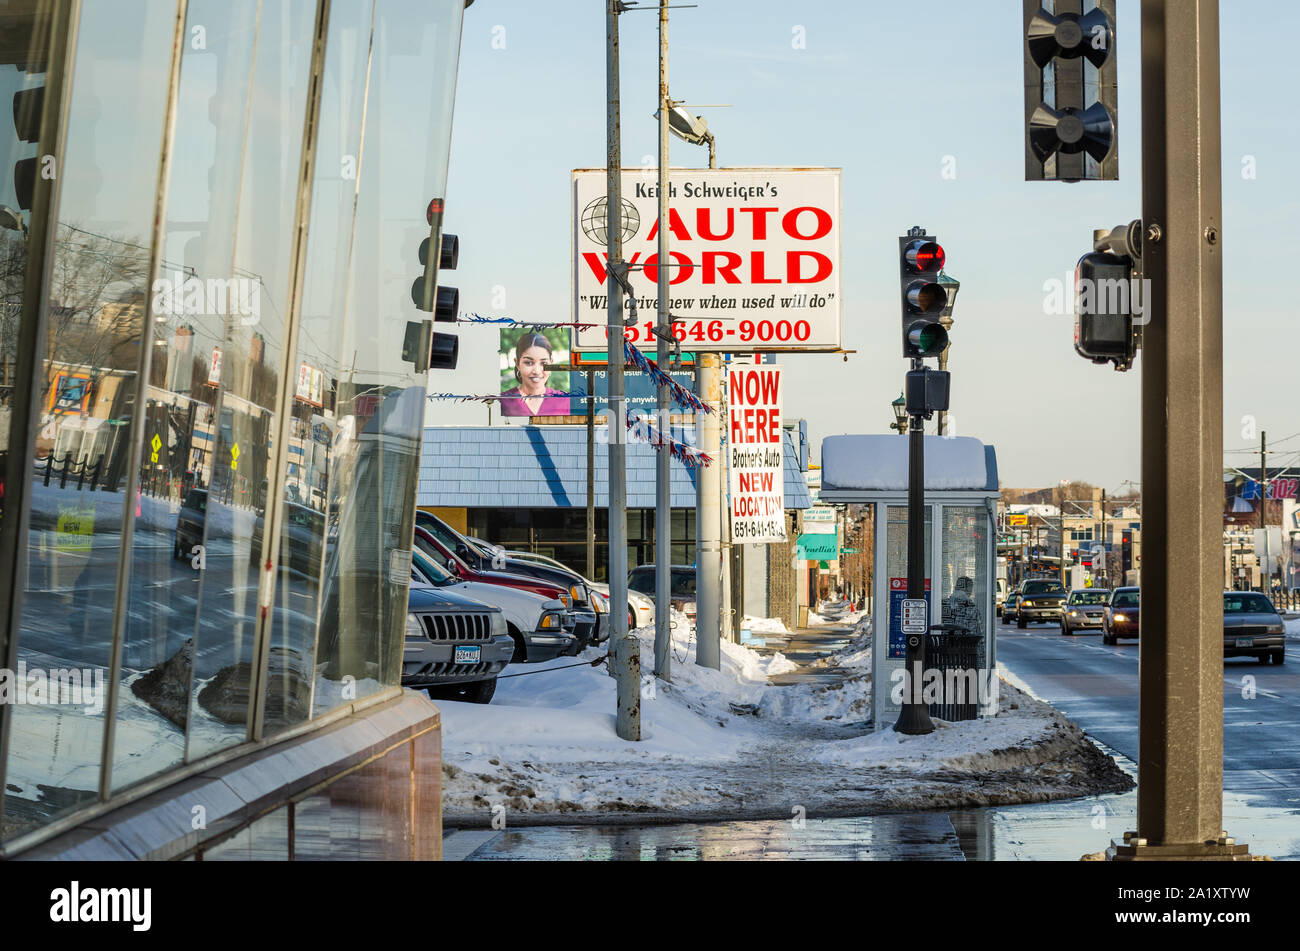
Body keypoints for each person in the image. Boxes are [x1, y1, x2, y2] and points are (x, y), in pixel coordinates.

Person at [500, 332, 570, 417]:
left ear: (551, 364)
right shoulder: (502, 401)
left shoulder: (565, 400)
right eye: (528, 363)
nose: (536, 371)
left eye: (543, 363)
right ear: (517, 363)